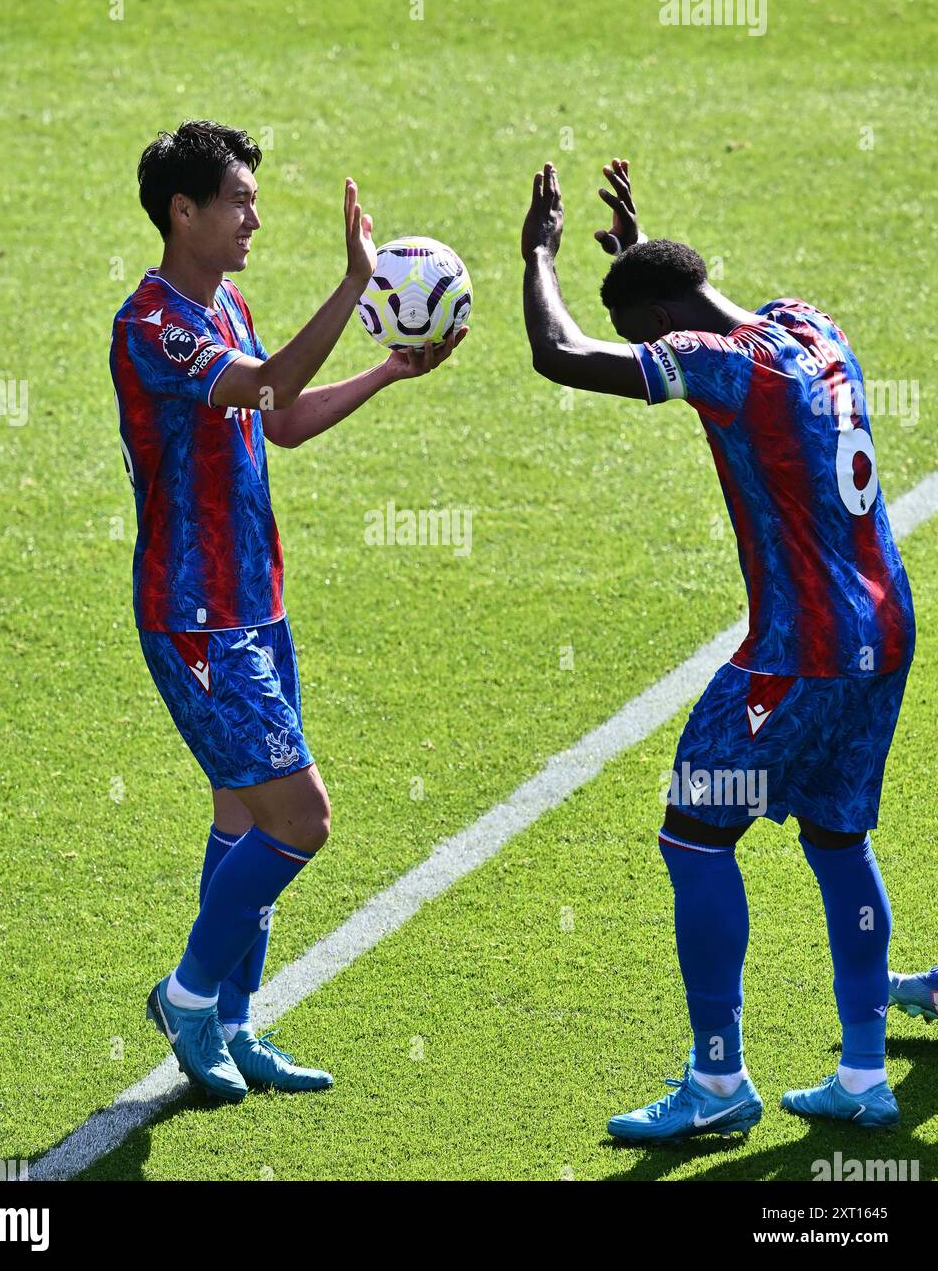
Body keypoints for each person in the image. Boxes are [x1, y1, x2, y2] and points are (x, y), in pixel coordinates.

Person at [521, 158, 915, 1139]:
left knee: (694, 834)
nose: (648, 354)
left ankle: (716, 1082)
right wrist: (641, 255)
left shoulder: (720, 365)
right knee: (837, 839)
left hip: (796, 654)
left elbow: (559, 354)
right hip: (882, 632)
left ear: (661, 322)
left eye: (644, 336)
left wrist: (540, 256)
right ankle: (863, 1074)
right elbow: (687, 300)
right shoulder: (809, 324)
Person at [111, 120, 466, 1100]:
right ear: (182, 211)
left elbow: (286, 418)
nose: (253, 219)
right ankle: (187, 995)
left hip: (255, 605)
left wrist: (388, 370)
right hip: (196, 620)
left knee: (242, 815)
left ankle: (233, 1026)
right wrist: (354, 285)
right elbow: (267, 383)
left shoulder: (227, 304)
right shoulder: (154, 327)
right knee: (300, 819)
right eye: (238, 202)